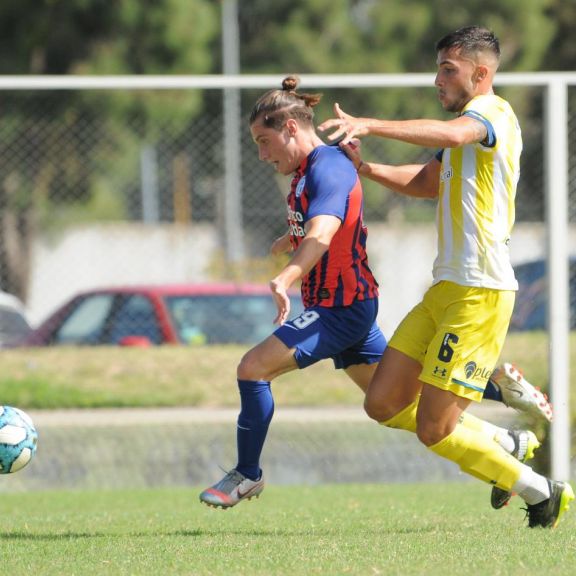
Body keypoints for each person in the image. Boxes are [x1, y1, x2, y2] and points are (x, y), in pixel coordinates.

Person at [199, 74, 552, 512]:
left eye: (263, 141)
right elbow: (333, 220)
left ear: (291, 128)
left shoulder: (326, 164)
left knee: (252, 369)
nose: (261, 154)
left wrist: (286, 275)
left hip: (341, 309)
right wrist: (292, 239)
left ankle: (247, 474)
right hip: (350, 305)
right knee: (393, 404)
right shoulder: (311, 169)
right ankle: (504, 429)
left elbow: (325, 230)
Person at [319, 26, 573, 528]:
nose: (438, 79)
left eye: (447, 69)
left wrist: (371, 123)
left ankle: (542, 491)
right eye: (438, 67)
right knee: (383, 402)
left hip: (480, 292)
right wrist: (365, 167)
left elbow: (455, 133)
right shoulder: (464, 131)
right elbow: (429, 181)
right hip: (445, 289)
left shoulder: (491, 114)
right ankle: (508, 441)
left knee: (435, 429)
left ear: (481, 74)